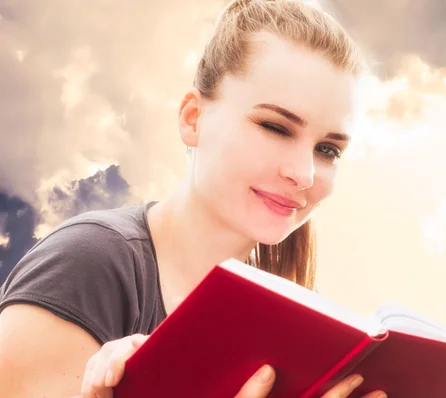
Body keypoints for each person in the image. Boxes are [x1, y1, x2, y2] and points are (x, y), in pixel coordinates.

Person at [0, 0, 386, 397]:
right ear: (193, 118)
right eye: (275, 127)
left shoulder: (304, 314)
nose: (303, 174)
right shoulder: (85, 266)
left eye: (328, 150)